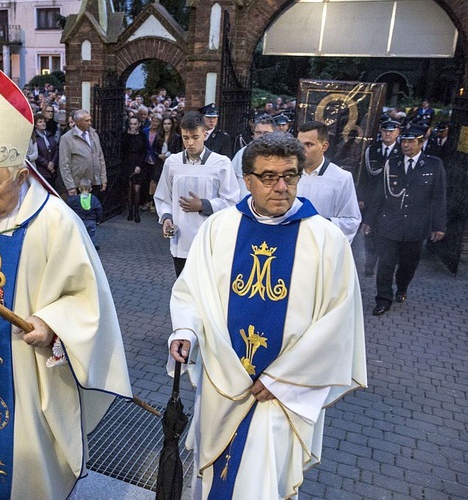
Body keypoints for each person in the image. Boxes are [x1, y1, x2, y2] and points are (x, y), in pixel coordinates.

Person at [0, 72, 132, 499]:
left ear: (21, 176)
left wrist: (50, 323)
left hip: (30, 368)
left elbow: (86, 299)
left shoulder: (56, 222)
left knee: (31, 467)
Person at [168, 132, 366, 499]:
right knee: (213, 474)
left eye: (290, 176)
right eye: (268, 177)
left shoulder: (326, 239)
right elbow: (191, 291)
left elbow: (339, 323)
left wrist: (284, 378)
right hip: (223, 378)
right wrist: (185, 331)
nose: (281, 186)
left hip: (281, 390)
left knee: (258, 483)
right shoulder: (219, 228)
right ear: (247, 180)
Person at [362, 126, 447, 316]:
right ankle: (383, 299)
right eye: (404, 141)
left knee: (408, 265)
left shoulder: (433, 165)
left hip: (417, 227)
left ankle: (402, 287)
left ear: (421, 142)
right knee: (385, 264)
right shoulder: (392, 163)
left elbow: (439, 197)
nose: (406, 145)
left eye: (411, 141)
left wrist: (439, 226)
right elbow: (380, 195)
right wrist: (369, 220)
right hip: (389, 224)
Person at [154, 111, 240, 276]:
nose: (190, 143)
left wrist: (204, 205)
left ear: (205, 134)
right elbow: (164, 197)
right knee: (183, 288)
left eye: (195, 137)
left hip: (208, 241)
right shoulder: (173, 163)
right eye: (186, 138)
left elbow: (232, 202)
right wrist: (166, 218)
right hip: (181, 240)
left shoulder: (221, 163)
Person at [296, 121, 362, 242]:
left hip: (322, 246)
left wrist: (320, 223)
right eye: (299, 145)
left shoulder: (341, 178)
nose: (302, 150)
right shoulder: (289, 174)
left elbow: (351, 221)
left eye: (309, 144)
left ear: (324, 146)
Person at [359, 119, 402, 276]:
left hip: (392, 199)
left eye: (391, 131)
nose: (388, 134)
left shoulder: (402, 151)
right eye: (385, 131)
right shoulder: (372, 150)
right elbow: (364, 175)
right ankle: (370, 262)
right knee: (369, 231)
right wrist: (361, 197)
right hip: (371, 198)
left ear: (398, 133)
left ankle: (385, 262)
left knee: (387, 232)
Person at [59, 109, 108, 198]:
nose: (89, 123)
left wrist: (103, 179)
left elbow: (100, 157)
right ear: (78, 122)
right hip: (79, 185)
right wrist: (70, 186)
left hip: (95, 182)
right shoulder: (67, 139)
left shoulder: (94, 134)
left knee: (94, 209)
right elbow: (64, 164)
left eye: (90, 120)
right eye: (86, 121)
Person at [231, 116, 276, 196]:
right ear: (253, 134)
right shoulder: (241, 154)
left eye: (266, 133)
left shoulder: (281, 155)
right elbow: (230, 180)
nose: (262, 136)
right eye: (258, 133)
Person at [122, 116, 150, 222]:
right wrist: (130, 135)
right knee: (129, 189)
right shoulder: (125, 135)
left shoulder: (142, 135)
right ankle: (130, 212)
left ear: (139, 124)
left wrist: (139, 165)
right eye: (131, 124)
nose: (133, 126)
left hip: (139, 163)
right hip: (127, 163)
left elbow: (144, 151)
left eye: (135, 124)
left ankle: (137, 212)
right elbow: (123, 149)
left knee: (137, 189)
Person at [151, 116, 182, 200]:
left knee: (169, 185)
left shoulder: (177, 137)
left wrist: (169, 156)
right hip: (159, 163)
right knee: (158, 184)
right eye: (164, 124)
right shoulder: (158, 136)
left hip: (171, 164)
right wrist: (159, 155)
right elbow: (153, 149)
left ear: (172, 125)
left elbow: (178, 152)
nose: (166, 126)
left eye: (169, 124)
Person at [67, 179, 103, 248]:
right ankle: (91, 248)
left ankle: (81, 248)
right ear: (91, 189)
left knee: (80, 235)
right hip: (91, 221)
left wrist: (71, 196)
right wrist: (98, 219)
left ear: (79, 189)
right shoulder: (94, 199)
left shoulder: (76, 199)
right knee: (91, 235)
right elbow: (99, 209)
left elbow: (68, 204)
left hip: (80, 220)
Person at [31, 112, 59, 186]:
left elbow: (55, 150)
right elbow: (36, 153)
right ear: (36, 125)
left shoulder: (49, 135)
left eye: (44, 121)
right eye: (40, 122)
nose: (43, 123)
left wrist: (52, 162)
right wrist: (47, 164)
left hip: (52, 171)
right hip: (41, 170)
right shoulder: (33, 137)